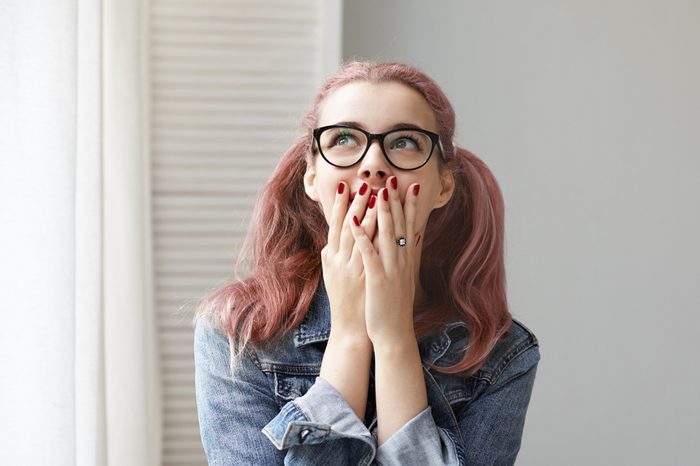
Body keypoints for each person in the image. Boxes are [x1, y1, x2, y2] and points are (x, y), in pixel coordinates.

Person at [194, 61, 540, 466]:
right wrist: (350, 335)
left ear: (443, 184)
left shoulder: (503, 354)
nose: (374, 163)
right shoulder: (237, 334)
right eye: (344, 138)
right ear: (311, 176)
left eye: (405, 142)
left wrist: (394, 337)